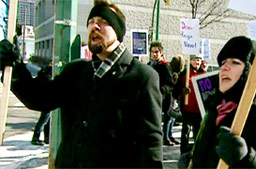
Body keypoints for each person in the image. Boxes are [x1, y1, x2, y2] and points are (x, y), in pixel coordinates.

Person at [0, 1, 163, 168]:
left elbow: (150, 143)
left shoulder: (142, 77)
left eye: (103, 22)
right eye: (91, 22)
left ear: (118, 30)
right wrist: (16, 67)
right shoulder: (76, 72)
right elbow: (39, 98)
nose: (95, 26)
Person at [190, 36, 256, 168]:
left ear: (255, 73)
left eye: (235, 62)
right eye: (223, 62)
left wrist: (248, 159)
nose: (224, 67)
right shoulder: (216, 112)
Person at [173, 54, 206, 154]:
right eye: (195, 60)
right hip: (187, 109)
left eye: (199, 60)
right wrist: (181, 91)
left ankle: (197, 152)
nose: (197, 62)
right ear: (190, 61)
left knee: (198, 133)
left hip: (198, 109)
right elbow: (175, 91)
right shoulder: (184, 74)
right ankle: (183, 152)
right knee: (185, 132)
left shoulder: (203, 73)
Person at [147, 41, 176, 146]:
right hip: (149, 98)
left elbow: (170, 84)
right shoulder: (149, 65)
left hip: (160, 100)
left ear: (161, 53)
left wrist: (161, 91)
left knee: (157, 122)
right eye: (152, 52)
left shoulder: (164, 66)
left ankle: (159, 140)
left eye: (157, 52)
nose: (154, 54)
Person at [31, 65, 52, 146]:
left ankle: (47, 138)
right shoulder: (47, 78)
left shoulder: (41, 76)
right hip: (47, 101)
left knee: (47, 120)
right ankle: (36, 137)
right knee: (44, 120)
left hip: (45, 100)